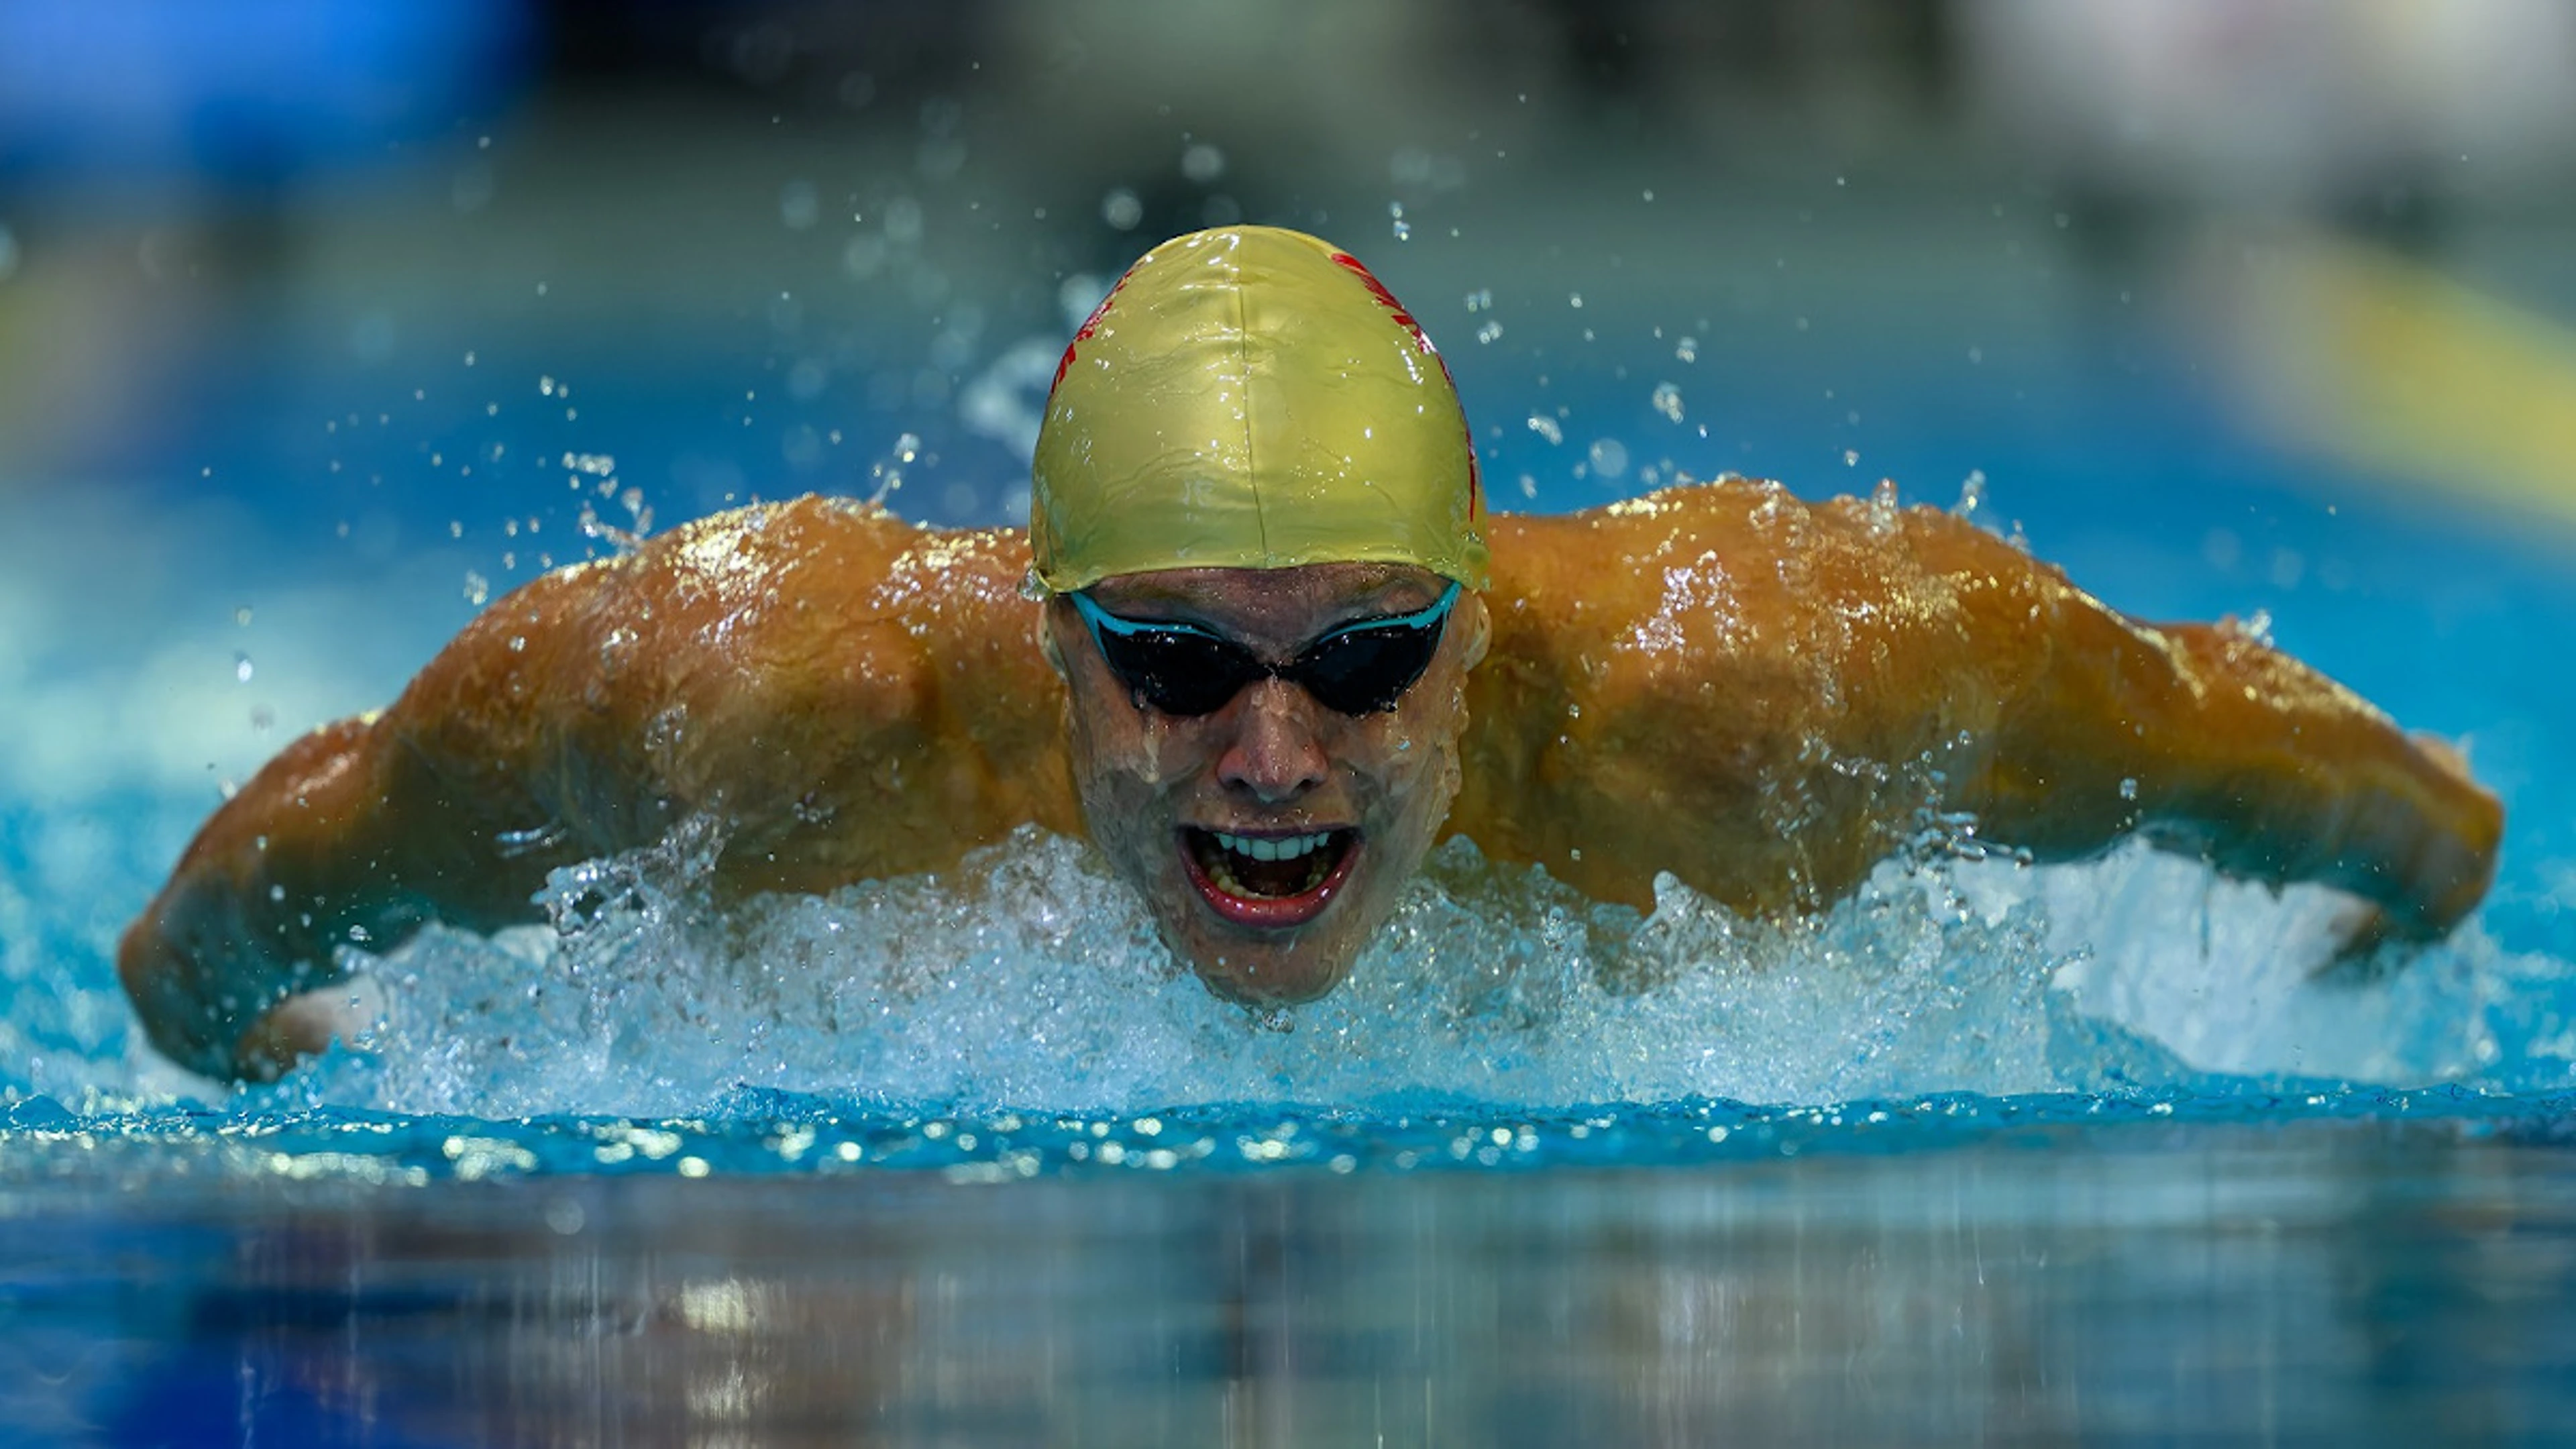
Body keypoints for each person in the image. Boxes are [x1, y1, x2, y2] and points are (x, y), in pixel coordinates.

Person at [119, 225, 2506, 1082]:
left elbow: (2247, 749)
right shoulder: (746, 706)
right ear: (1045, 645)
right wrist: (270, 1064)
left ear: (1479, 627)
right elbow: (224, 924)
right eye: (1169, 662)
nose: (1273, 756)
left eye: (1368, 658)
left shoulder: (1764, 685)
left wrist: (2403, 905)